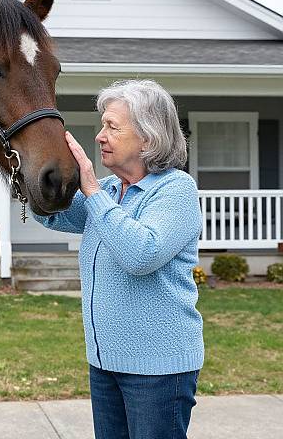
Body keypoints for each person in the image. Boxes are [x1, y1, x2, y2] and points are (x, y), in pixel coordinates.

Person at [33, 79, 203, 439]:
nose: (99, 136)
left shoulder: (175, 190)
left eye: (112, 126)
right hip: (104, 363)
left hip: (158, 371)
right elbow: (53, 212)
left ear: (148, 137)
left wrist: (92, 189)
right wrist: (27, 167)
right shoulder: (111, 191)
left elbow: (141, 254)